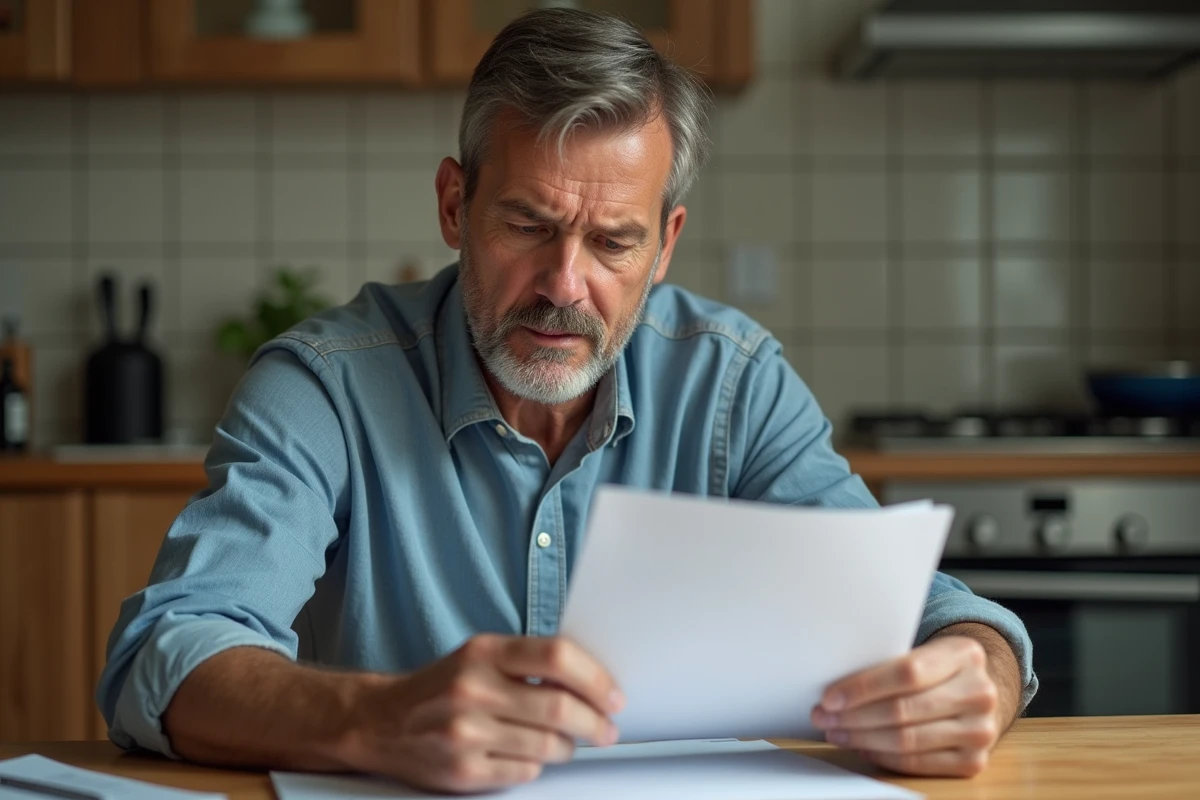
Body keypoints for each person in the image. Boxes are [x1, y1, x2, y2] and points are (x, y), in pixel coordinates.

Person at [97, 8, 1036, 794]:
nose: (564, 285)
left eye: (612, 243)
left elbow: (933, 616)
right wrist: (378, 717)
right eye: (527, 225)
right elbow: (167, 652)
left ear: (665, 245)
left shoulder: (734, 383)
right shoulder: (325, 387)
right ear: (455, 206)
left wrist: (974, 674)